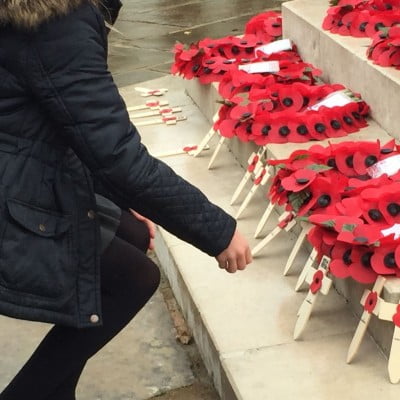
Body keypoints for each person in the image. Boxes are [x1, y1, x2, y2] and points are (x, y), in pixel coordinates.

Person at [0, 0, 252, 399]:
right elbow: (116, 155)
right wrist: (217, 232)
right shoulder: (56, 23)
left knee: (131, 231)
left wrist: (114, 196)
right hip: (13, 187)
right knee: (133, 279)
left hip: (24, 165)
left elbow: (69, 124)